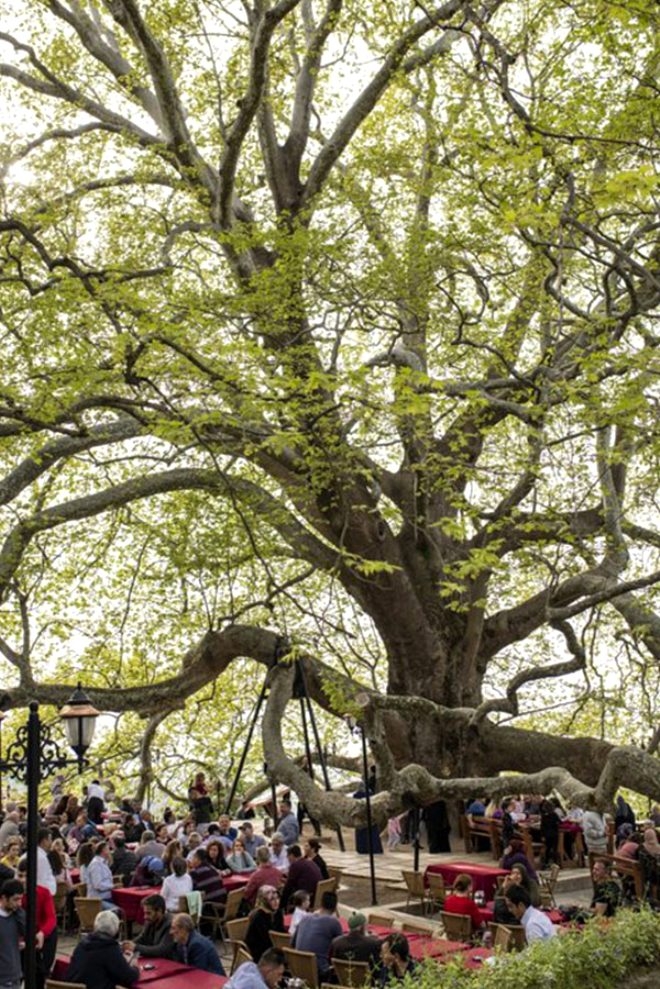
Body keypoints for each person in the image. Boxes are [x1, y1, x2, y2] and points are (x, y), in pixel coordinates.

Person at [66, 909, 139, 989]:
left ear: (95, 926)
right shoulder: (110, 948)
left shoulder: (82, 944)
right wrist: (135, 966)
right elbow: (129, 977)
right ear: (116, 929)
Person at [292, 890, 342, 981]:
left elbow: (292, 943)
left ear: (320, 904)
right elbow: (340, 948)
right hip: (320, 971)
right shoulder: (333, 922)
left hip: (298, 969)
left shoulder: (305, 918)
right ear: (335, 907)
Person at [122, 894, 174, 958]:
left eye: (148, 913)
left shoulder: (171, 924)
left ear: (159, 911)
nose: (145, 917)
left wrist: (135, 947)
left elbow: (162, 950)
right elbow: (143, 938)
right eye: (145, 913)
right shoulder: (150, 920)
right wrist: (128, 944)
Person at [245, 885, 285, 961]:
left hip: (273, 945)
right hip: (260, 952)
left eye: (277, 898)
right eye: (272, 899)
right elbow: (266, 939)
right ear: (264, 901)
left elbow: (281, 930)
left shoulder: (277, 912)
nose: (276, 902)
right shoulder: (258, 916)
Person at [0, 878, 26, 989]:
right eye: (15, 900)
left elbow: (27, 932)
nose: (19, 903)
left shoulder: (17, 914)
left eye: (21, 899)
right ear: (4, 898)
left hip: (15, 976)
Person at [279, 844, 322, 910]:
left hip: (308, 896)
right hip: (317, 894)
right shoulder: (309, 862)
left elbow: (288, 886)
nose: (287, 858)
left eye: (288, 856)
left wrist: (280, 905)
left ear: (292, 855)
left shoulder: (295, 865)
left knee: (284, 891)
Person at [86, 841, 116, 910]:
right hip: (98, 900)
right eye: (108, 849)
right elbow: (98, 885)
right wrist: (112, 886)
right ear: (103, 850)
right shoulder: (96, 864)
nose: (110, 852)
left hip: (106, 897)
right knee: (117, 911)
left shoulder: (103, 863)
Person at [36, 828, 57, 895]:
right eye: (50, 839)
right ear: (44, 841)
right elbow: (41, 881)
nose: (51, 842)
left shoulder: (41, 856)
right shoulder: (41, 858)